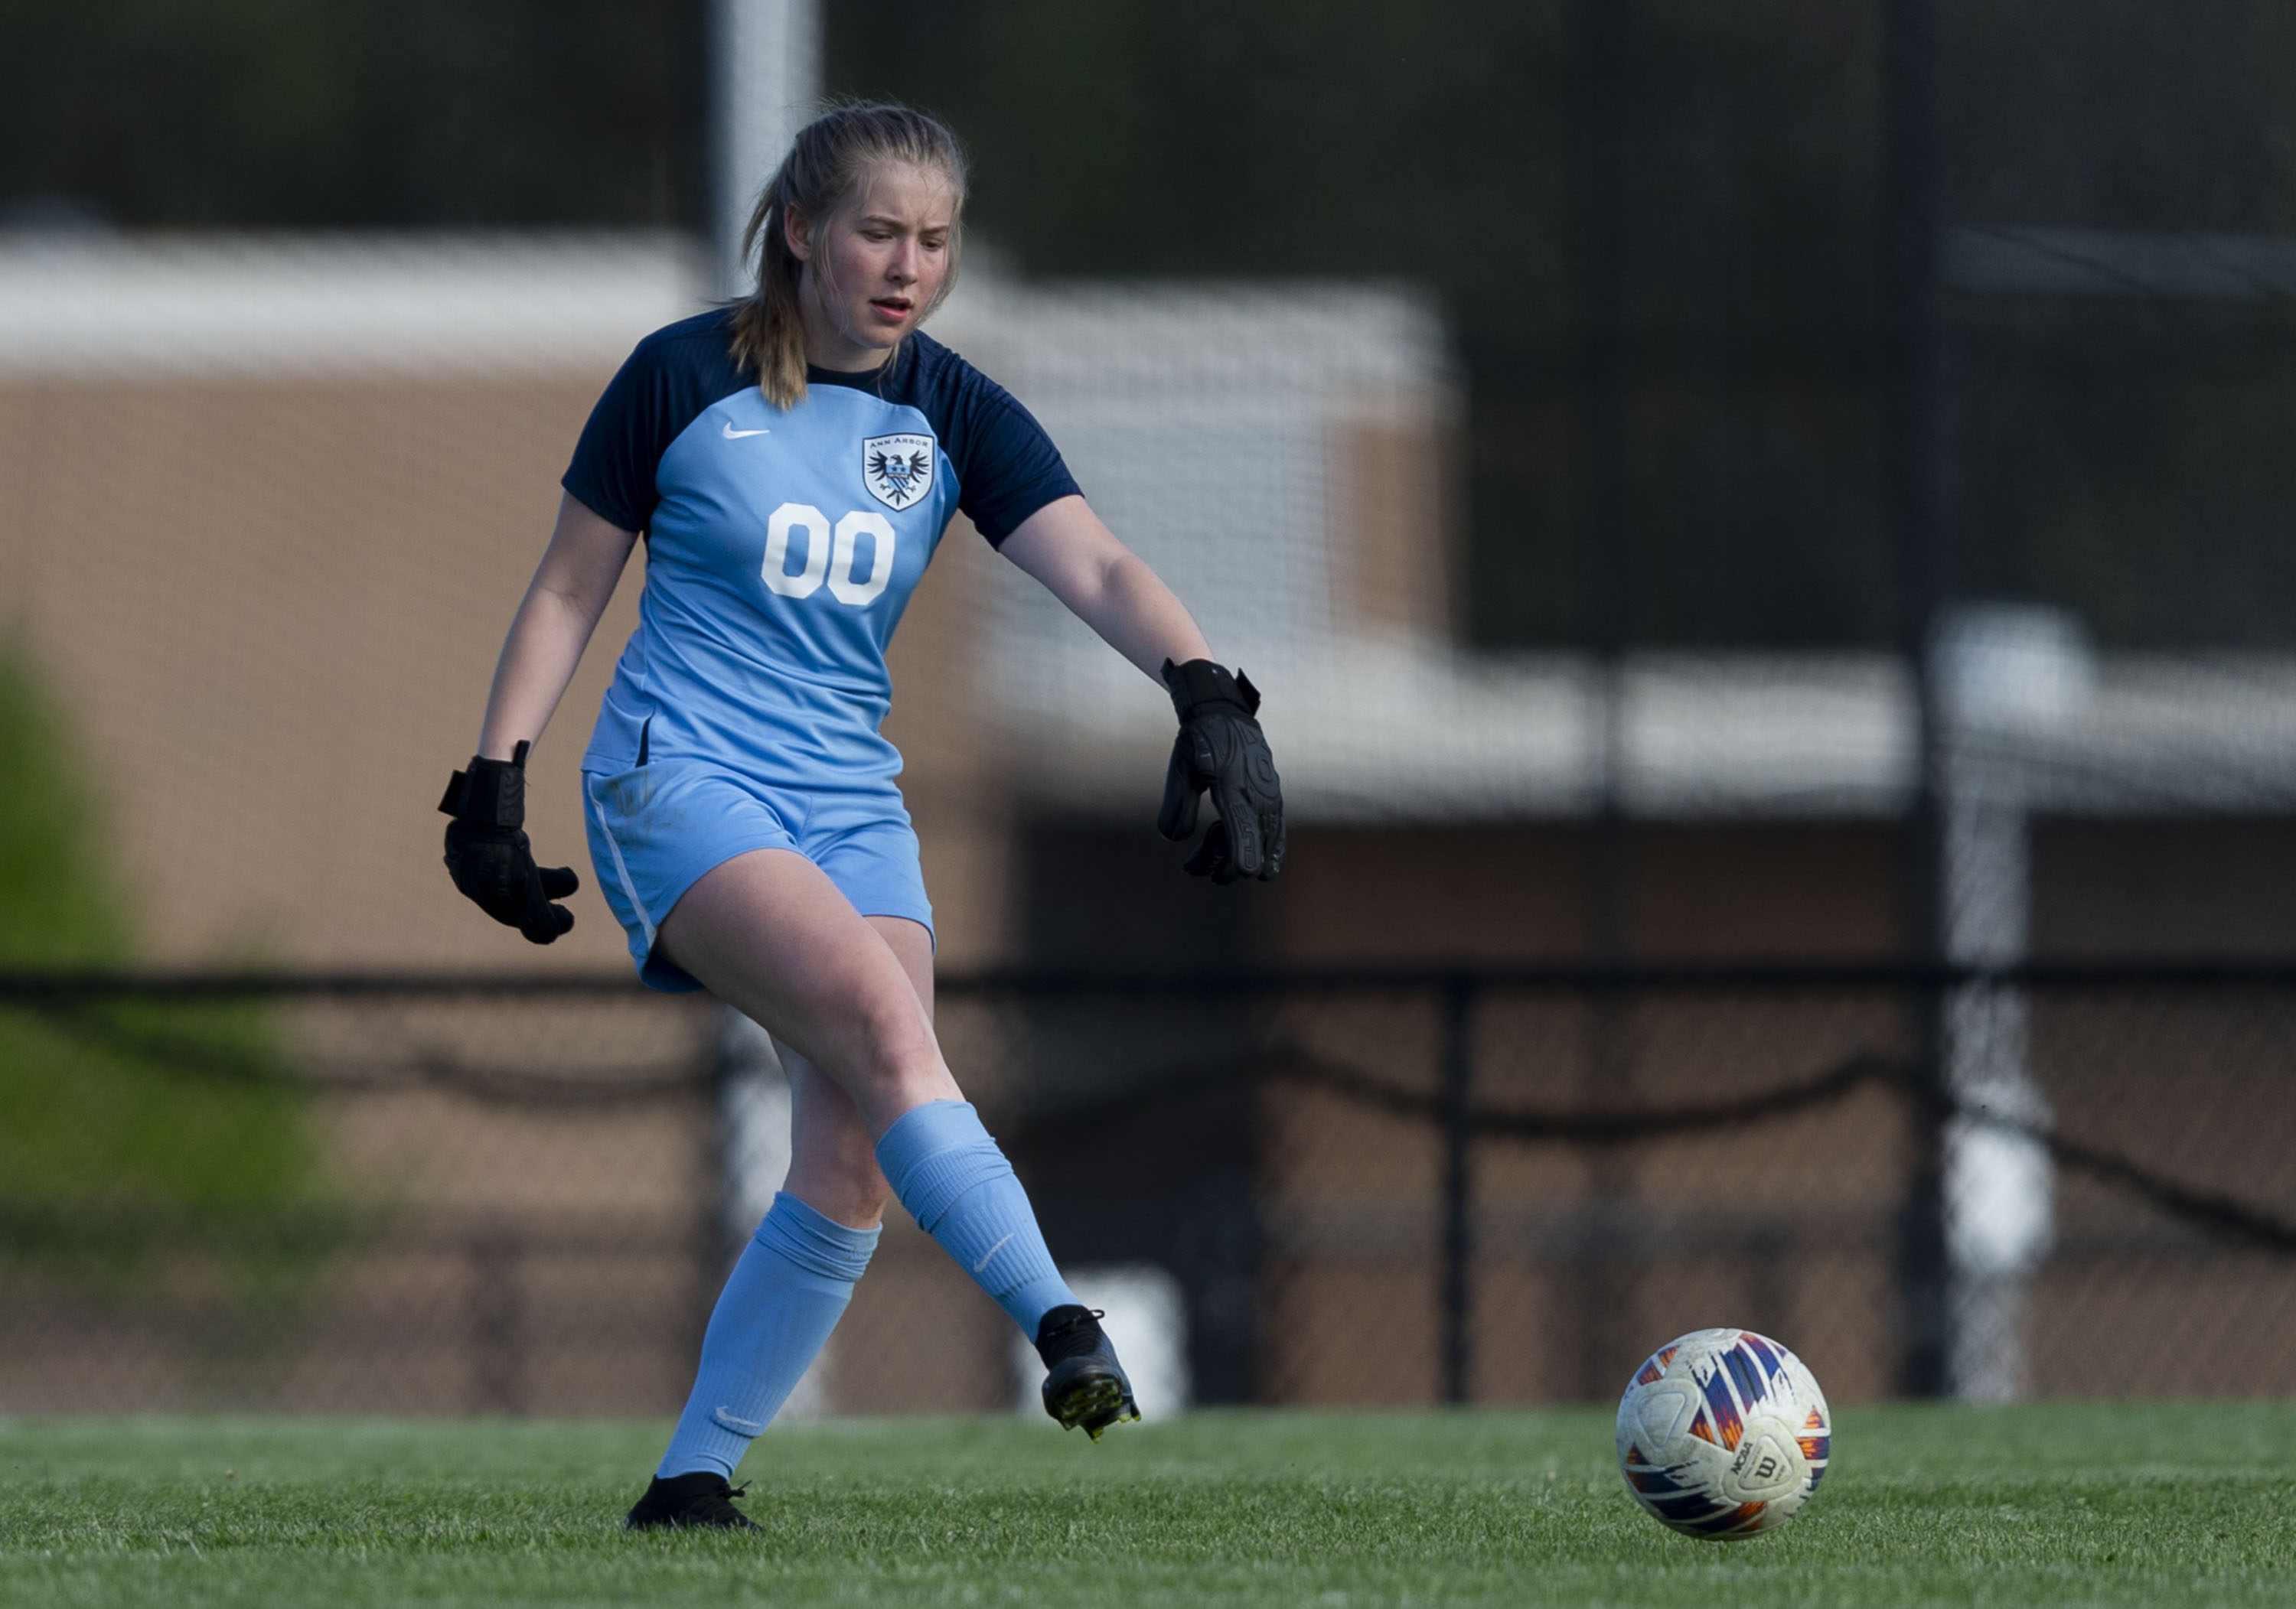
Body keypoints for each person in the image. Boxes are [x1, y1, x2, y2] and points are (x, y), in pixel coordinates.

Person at [437, 102, 1286, 1532]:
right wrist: (493, 782)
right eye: (880, 233)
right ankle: (1062, 1323)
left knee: (849, 1153)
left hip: (848, 800)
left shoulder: (949, 405)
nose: (909, 266)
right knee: (899, 1041)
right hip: (680, 778)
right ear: (802, 233)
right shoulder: (681, 376)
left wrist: (1211, 695)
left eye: (936, 240)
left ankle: (692, 1483)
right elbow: (571, 586)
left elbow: (1098, 563)